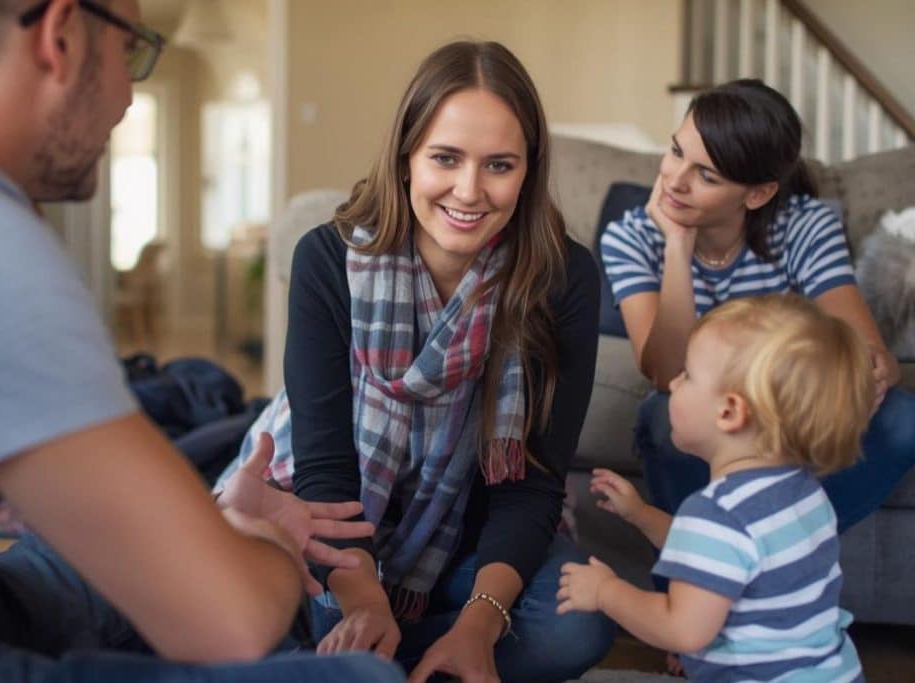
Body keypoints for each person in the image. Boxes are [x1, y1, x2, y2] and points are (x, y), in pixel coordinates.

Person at [0, 1, 404, 681]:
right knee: (359, 678)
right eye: (131, 52)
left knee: (85, 571)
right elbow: (233, 620)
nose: (131, 97)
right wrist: (266, 545)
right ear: (62, 35)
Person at [215, 40, 612, 683]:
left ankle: (389, 657)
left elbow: (534, 482)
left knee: (575, 626)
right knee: (259, 601)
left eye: (499, 166)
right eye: (446, 158)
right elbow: (325, 468)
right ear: (407, 159)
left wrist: (481, 626)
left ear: (528, 171)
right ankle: (382, 649)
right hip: (335, 534)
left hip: (467, 552)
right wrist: (366, 601)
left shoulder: (562, 278)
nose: (469, 190)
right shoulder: (328, 261)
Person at [600, 78, 915, 536]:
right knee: (662, 416)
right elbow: (667, 374)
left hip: (789, 405)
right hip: (710, 409)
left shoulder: (805, 224)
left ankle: (749, 551)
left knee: (904, 419)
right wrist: (676, 248)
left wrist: (877, 367)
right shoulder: (630, 237)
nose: (675, 180)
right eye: (675, 152)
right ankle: (755, 555)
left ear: (757, 194)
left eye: (706, 176)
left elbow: (869, 350)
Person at [558, 293, 871, 682]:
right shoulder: (803, 491)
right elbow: (718, 556)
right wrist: (641, 514)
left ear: (729, 412)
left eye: (687, 374)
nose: (673, 382)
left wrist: (606, 592)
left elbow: (682, 630)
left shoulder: (717, 512)